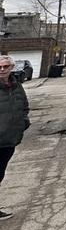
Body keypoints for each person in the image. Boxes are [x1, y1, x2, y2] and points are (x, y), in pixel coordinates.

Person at [0, 54, 30, 220]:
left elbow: (24, 106)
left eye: (6, 67)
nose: (2, 70)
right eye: (0, 67)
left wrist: (23, 123)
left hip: (9, 140)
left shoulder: (16, 85)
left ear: (11, 68)